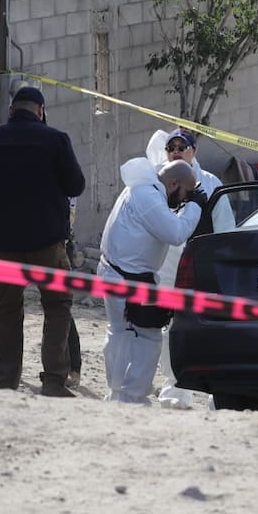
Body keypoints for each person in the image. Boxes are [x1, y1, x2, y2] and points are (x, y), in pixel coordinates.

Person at [0, 86, 85, 397]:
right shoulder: (56, 140)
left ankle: (7, 381)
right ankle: (53, 381)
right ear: (41, 111)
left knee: (7, 309)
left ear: (11, 110)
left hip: (3, 244)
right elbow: (76, 184)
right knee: (57, 306)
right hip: (47, 243)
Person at [98, 158, 205, 404]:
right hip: (128, 278)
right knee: (146, 338)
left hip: (122, 274)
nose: (183, 201)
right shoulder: (148, 197)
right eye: (184, 194)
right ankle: (132, 397)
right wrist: (195, 206)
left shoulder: (141, 189)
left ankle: (118, 394)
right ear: (173, 183)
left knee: (121, 335)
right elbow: (176, 233)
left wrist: (188, 201)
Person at [144, 127, 233, 396]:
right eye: (171, 148)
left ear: (193, 151)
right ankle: (174, 386)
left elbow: (225, 226)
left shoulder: (210, 182)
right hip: (166, 262)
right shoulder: (157, 180)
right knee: (167, 326)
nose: (175, 152)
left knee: (203, 324)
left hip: (199, 264)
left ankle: (210, 388)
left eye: (181, 148)